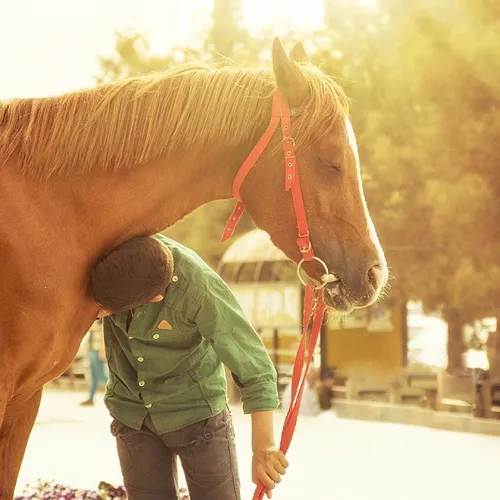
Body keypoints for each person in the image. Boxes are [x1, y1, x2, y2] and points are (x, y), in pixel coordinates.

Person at [91, 235, 288, 500]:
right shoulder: (107, 255)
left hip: (198, 417)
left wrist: (263, 446)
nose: (100, 314)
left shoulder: (197, 288)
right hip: (132, 414)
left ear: (155, 298)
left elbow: (254, 365)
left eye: (110, 312)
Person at [80, 319, 108, 406]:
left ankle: (119, 390)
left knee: (101, 376)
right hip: (92, 351)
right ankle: (90, 398)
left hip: (97, 351)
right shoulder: (94, 322)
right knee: (94, 377)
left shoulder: (102, 324)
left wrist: (102, 351)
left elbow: (103, 337)